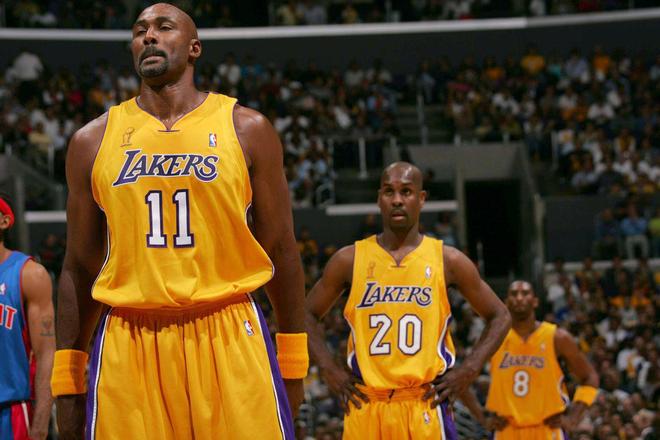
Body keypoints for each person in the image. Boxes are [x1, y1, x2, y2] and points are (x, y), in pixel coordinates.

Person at [52, 4, 307, 439]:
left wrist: (294, 360)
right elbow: (78, 265)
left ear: (194, 48)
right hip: (130, 335)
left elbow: (281, 248)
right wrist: (67, 380)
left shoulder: (247, 129)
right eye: (139, 31)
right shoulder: (91, 141)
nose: (148, 36)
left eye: (163, 27)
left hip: (228, 328)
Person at [305, 162, 511, 439]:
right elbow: (305, 313)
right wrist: (329, 369)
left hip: (424, 405)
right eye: (389, 192)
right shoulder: (349, 260)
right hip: (367, 405)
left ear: (421, 198)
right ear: (379, 198)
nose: (397, 200)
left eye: (406, 191)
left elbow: (501, 315)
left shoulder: (448, 260)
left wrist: (469, 370)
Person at [462, 280, 599, 440]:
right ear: (506, 302)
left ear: (535, 301)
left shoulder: (557, 337)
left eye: (525, 293)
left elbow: (590, 377)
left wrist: (573, 418)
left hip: (547, 429)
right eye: (514, 294)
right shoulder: (494, 338)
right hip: (506, 430)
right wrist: (481, 416)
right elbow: (462, 377)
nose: (519, 298)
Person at [0, 194, 55, 440]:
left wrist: (41, 426)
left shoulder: (29, 274)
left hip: (10, 411)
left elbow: (46, 354)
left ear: (4, 221)